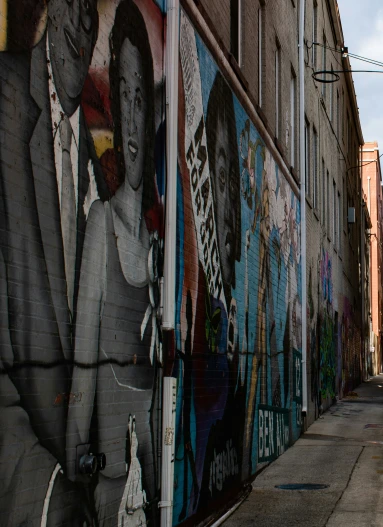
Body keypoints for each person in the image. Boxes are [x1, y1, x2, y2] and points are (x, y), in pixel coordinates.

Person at [0, 0, 106, 523]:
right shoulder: (7, 99)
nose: (84, 22)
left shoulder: (93, 159)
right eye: (74, 5)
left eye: (92, 9)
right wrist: (46, 496)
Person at [64, 1, 159, 523]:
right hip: (106, 485)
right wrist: (78, 457)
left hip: (146, 479)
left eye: (141, 96)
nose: (132, 112)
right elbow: (82, 364)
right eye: (123, 94)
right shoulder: (102, 224)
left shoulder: (156, 248)